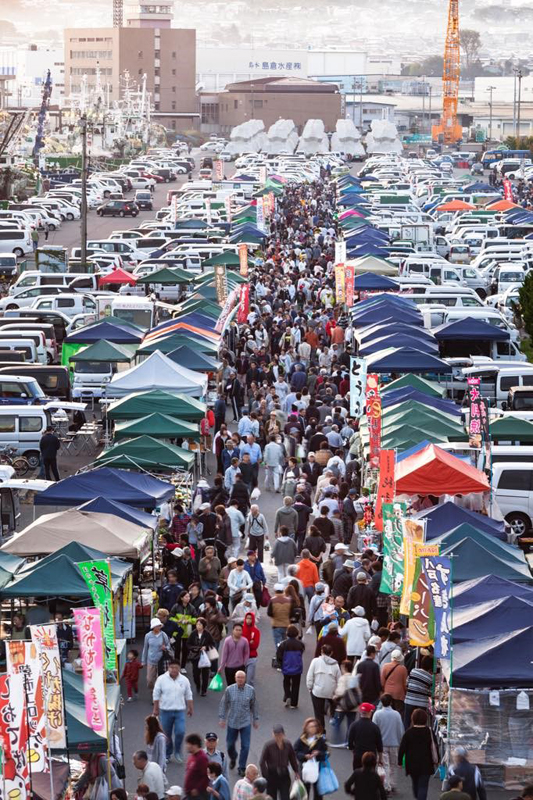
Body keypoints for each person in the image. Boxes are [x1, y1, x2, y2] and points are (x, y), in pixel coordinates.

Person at [218, 670, 259, 778]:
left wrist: (255, 719)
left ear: (245, 679)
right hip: (232, 722)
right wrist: (222, 718)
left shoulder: (250, 691)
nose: (240, 679)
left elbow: (254, 705)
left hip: (245, 722)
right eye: (238, 677)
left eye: (242, 677)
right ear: (235, 678)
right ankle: (233, 756)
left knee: (245, 746)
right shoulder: (229, 690)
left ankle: (242, 767)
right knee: (230, 744)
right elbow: (224, 704)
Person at [152, 660, 193, 765]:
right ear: (168, 668)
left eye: (176, 667)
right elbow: (156, 694)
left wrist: (190, 707)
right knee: (166, 734)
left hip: (179, 711)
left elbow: (188, 694)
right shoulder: (161, 679)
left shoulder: (184, 680)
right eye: (172, 667)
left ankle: (178, 750)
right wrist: (156, 709)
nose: (174, 670)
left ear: (179, 668)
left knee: (180, 732)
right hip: (165, 711)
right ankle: (167, 753)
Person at [398, 709, 438, 800]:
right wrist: (437, 759)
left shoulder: (408, 733)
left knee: (415, 783)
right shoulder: (429, 732)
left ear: (413, 718)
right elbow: (435, 747)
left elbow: (402, 748)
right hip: (426, 763)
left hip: (412, 763)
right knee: (423, 786)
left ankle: (418, 796)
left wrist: (399, 761)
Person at [372, 694, 404, 794]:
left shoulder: (377, 714)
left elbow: (374, 730)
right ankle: (392, 784)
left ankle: (386, 786)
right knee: (393, 765)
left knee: (384, 765)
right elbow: (400, 730)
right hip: (394, 743)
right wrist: (399, 741)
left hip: (382, 744)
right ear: (391, 702)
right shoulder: (397, 714)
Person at [305, 643, 341, 731]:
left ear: (321, 652)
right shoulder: (335, 665)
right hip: (331, 691)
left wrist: (310, 687)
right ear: (331, 653)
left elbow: (310, 675)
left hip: (318, 691)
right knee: (334, 703)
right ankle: (333, 715)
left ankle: (322, 732)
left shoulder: (315, 661)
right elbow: (339, 679)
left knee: (318, 713)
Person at [259, 724, 300, 800]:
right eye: (276, 735)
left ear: (284, 734)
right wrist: (266, 776)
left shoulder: (288, 744)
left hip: (284, 774)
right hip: (272, 774)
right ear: (273, 734)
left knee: (285, 797)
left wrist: (296, 771)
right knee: (271, 797)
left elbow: (292, 758)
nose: (278, 737)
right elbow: (262, 761)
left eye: (280, 734)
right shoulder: (268, 746)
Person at [293, 718, 328, 800]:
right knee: (305, 790)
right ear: (306, 728)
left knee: (318, 791)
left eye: (315, 726)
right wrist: (304, 756)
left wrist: (318, 753)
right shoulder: (301, 740)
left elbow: (326, 752)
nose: (313, 728)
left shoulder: (320, 740)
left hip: (317, 767)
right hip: (305, 768)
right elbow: (296, 752)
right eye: (311, 727)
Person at [276, 624, 306, 709]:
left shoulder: (283, 644)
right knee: (296, 685)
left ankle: (288, 695)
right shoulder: (300, 644)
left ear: (287, 633)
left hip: (286, 667)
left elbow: (279, 656)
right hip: (297, 667)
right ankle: (294, 703)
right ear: (296, 633)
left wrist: (281, 664)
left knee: (286, 682)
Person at [347, 703, 383, 770]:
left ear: (360, 712)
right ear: (370, 713)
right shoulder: (375, 727)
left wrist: (353, 750)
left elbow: (350, 741)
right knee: (370, 776)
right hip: (371, 756)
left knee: (357, 774)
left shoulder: (354, 725)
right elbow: (379, 744)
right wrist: (380, 758)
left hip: (358, 754)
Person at [187, 618, 216, 697]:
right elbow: (188, 644)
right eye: (197, 624)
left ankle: (204, 690)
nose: (198, 626)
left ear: (204, 626)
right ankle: (198, 685)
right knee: (195, 674)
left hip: (205, 656)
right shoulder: (193, 633)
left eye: (200, 624)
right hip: (195, 656)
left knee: (205, 674)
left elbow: (212, 644)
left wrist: (206, 647)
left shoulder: (207, 634)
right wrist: (195, 648)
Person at [404, 655, 433, 728]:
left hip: (409, 700)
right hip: (422, 703)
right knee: (420, 724)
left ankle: (406, 736)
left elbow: (407, 684)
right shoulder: (430, 678)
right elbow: (430, 693)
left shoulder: (413, 671)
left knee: (407, 722)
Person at [142, 619, 172, 691]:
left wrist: (165, 648)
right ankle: (153, 691)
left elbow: (168, 645)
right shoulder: (148, 636)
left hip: (161, 660)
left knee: (161, 679)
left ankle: (157, 695)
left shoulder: (163, 635)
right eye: (156, 626)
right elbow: (145, 648)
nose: (158, 627)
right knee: (150, 680)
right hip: (151, 660)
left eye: (159, 626)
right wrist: (143, 661)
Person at [267, 583, 293, 650]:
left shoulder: (272, 600)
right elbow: (291, 613)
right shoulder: (289, 600)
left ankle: (279, 657)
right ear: (283, 590)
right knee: (285, 641)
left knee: (278, 643)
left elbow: (269, 613)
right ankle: (285, 656)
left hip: (276, 624)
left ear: (275, 590)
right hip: (286, 624)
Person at [381, 649, 408, 714]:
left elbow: (382, 682)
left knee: (386, 712)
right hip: (399, 694)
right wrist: (405, 693)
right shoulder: (403, 669)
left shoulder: (385, 666)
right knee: (398, 713)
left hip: (387, 693)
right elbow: (404, 684)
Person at [184, 733, 210, 800]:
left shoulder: (202, 758)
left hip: (198, 795)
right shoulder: (192, 756)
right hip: (190, 794)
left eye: (188, 744)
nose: (186, 746)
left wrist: (197, 789)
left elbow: (206, 776)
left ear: (194, 745)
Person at [242, 611, 260, 686]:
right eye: (247, 618)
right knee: (241, 679)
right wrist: (249, 642)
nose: (248, 620)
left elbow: (255, 645)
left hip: (251, 657)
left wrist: (246, 644)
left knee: (249, 680)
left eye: (250, 618)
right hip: (241, 657)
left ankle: (249, 696)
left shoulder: (256, 631)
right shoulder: (241, 629)